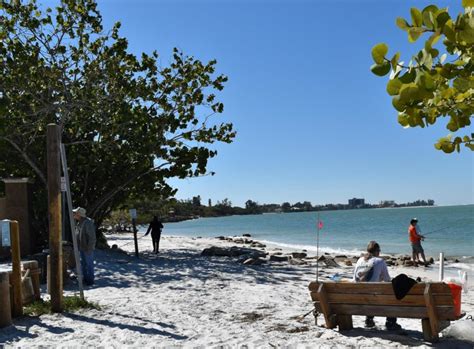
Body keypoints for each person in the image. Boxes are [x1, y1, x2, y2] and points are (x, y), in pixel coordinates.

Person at [353, 241, 402, 330]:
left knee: (370, 291)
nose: (379, 252)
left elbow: (355, 279)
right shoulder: (379, 261)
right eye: (379, 250)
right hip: (372, 298)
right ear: (376, 251)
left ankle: (369, 319)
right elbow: (387, 280)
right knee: (391, 293)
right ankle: (390, 321)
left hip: (357, 298)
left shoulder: (360, 260)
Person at [72, 207, 96, 286]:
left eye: (75, 213)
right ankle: (86, 279)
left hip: (87, 248)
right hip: (82, 247)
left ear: (79, 214)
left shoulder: (87, 223)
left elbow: (92, 237)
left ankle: (90, 280)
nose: (74, 214)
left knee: (89, 264)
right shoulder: (79, 222)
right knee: (84, 264)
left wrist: (90, 248)